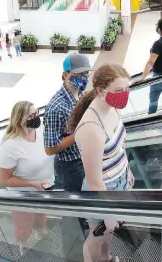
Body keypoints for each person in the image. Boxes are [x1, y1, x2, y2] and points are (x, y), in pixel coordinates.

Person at [67, 64, 135, 262]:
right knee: (96, 237)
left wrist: (127, 170)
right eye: (118, 90)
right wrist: (108, 212)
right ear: (100, 90)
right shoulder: (91, 128)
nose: (124, 94)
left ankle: (107, 259)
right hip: (103, 190)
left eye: (126, 89)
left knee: (108, 233)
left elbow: (121, 145)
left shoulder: (112, 107)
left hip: (119, 181)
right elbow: (95, 180)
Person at [43, 54, 93, 251]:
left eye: (86, 73)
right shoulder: (55, 107)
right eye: (80, 74)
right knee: (70, 216)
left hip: (82, 160)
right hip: (67, 168)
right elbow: (49, 148)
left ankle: (86, 244)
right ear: (66, 75)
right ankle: (73, 252)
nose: (84, 77)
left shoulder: (79, 95)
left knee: (82, 208)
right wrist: (79, 131)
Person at [0, 101, 55, 255]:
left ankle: (40, 230)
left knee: (41, 214)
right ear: (19, 120)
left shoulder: (41, 129)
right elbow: (4, 179)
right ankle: (23, 243)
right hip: (23, 195)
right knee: (23, 223)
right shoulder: (10, 145)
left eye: (36, 113)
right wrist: (32, 183)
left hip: (44, 188)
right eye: (30, 116)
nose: (35, 117)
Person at [138, 18, 162, 114]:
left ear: (159, 30)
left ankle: (152, 117)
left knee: (153, 98)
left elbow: (151, 62)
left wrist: (142, 77)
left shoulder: (158, 44)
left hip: (159, 76)